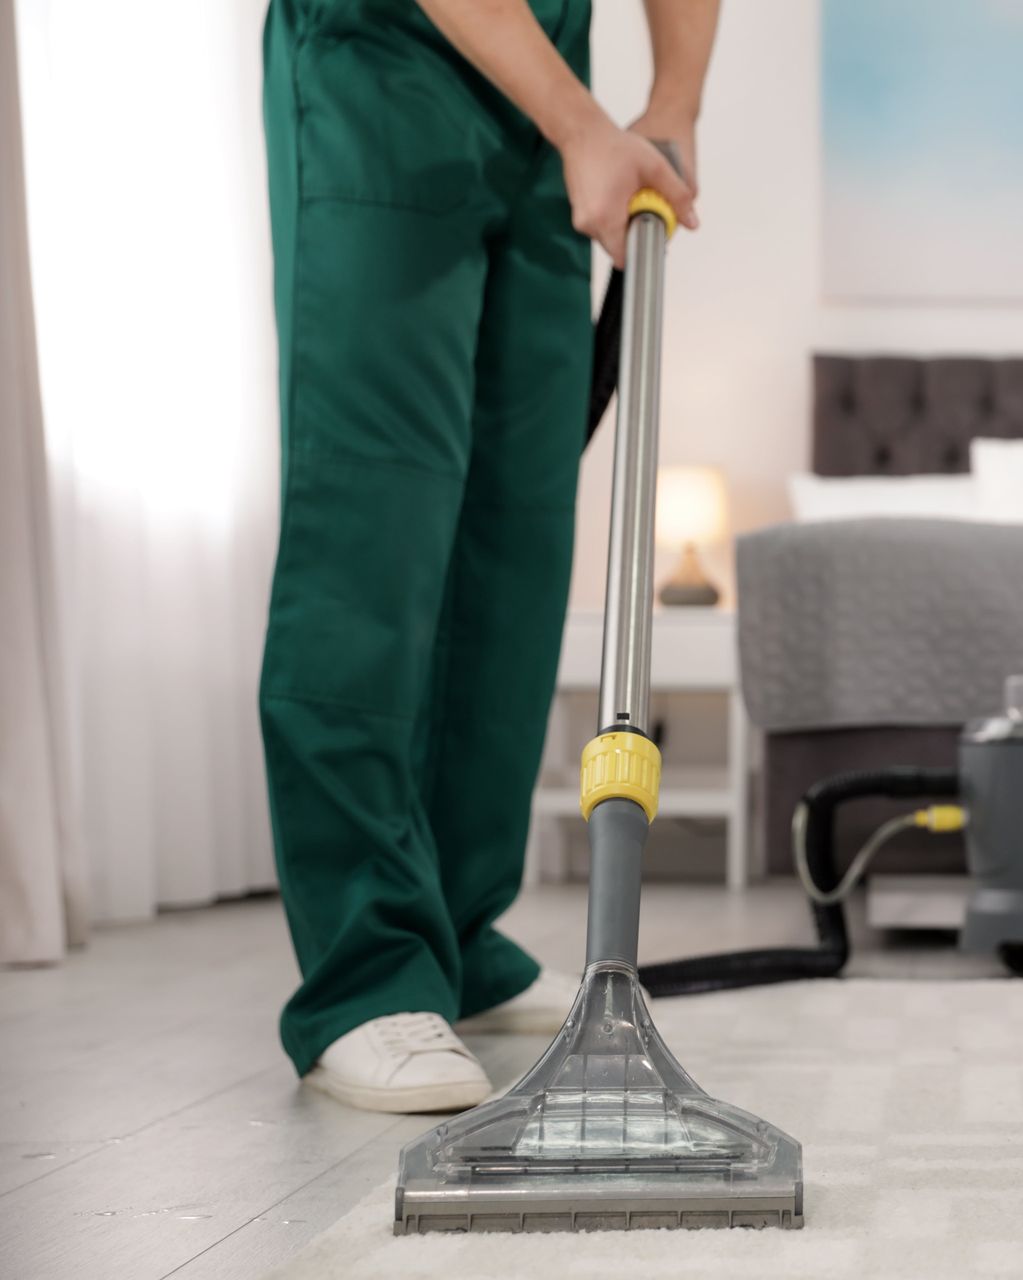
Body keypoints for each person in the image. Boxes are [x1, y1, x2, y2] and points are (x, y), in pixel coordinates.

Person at [258, 0, 719, 1113]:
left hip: (543, 71)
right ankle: (365, 974)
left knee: (516, 534)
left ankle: (457, 934)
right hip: (383, 61)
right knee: (374, 521)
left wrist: (670, 106)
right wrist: (580, 125)